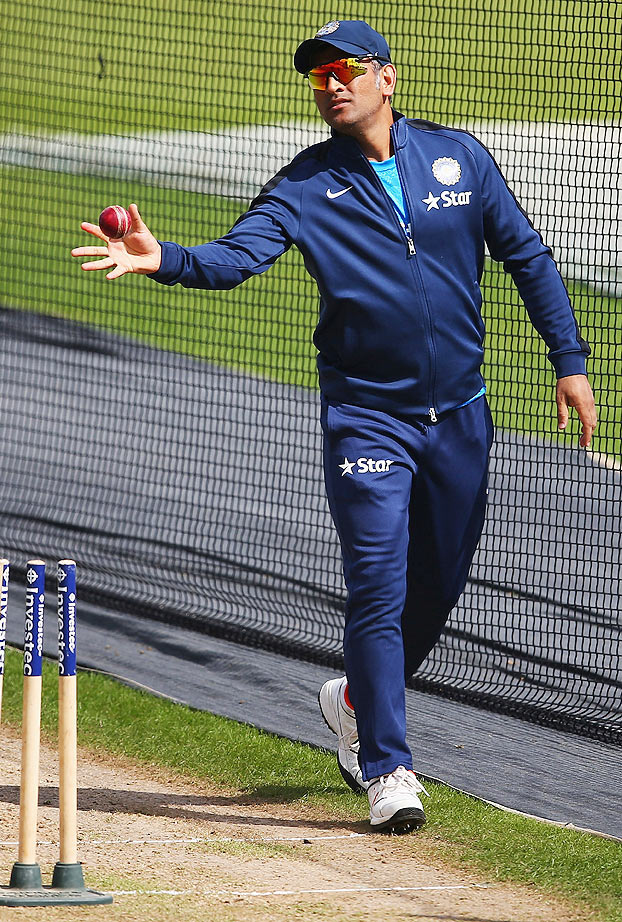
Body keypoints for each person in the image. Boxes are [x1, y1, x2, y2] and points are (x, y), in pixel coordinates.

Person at [72, 20, 597, 833]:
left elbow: (526, 254)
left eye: (345, 69)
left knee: (439, 587)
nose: (330, 84)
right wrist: (161, 256)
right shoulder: (304, 186)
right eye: (317, 76)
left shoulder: (459, 158)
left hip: (461, 418)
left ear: (388, 78)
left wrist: (568, 359)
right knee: (380, 588)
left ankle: (351, 699)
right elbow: (235, 258)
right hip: (367, 423)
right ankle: (388, 767)